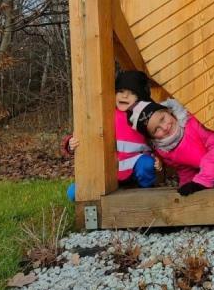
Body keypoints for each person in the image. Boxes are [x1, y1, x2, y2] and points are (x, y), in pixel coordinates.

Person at [61, 70, 160, 201]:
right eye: (121, 91)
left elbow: (157, 139)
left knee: (146, 164)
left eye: (132, 93)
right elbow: (85, 133)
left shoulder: (144, 116)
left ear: (140, 97)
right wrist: (71, 143)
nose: (125, 96)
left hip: (135, 166)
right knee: (73, 192)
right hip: (106, 170)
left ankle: (147, 195)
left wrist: (158, 158)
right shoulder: (105, 113)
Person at [128, 98, 214, 195]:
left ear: (169, 111)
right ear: (152, 137)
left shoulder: (193, 122)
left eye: (162, 119)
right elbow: (185, 169)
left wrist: (202, 180)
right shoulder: (165, 150)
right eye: (156, 129)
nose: (165, 127)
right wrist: (186, 187)